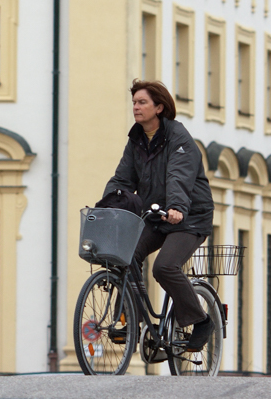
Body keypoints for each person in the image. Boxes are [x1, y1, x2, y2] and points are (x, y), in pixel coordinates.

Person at [104, 80, 216, 353]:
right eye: (134, 102)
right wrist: (105, 207)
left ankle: (200, 320)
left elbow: (179, 175)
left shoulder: (178, 137)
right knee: (125, 256)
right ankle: (134, 320)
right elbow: (122, 178)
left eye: (142, 102)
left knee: (164, 267)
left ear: (159, 107)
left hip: (188, 217)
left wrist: (177, 207)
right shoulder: (137, 140)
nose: (136, 107)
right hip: (156, 215)